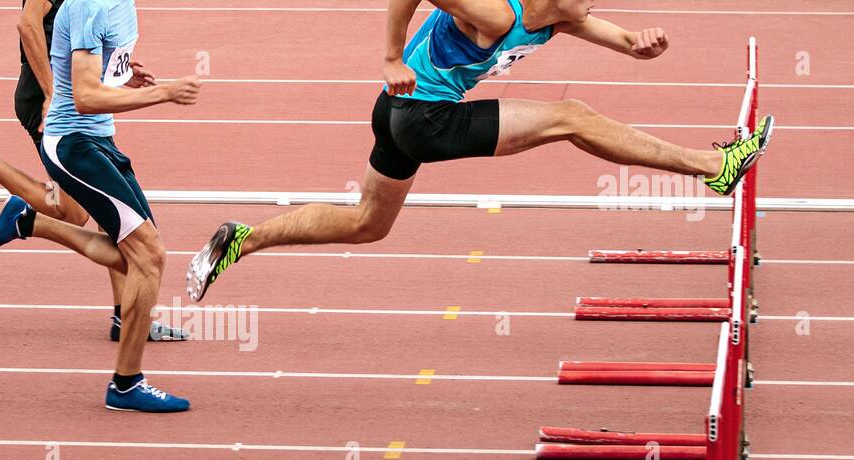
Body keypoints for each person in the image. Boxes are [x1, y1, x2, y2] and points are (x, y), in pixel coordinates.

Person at [185, 0, 774, 302]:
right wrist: (391, 57)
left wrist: (646, 44)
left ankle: (243, 238)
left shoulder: (557, 19)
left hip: (394, 114)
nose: (594, 2)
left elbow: (624, 41)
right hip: (424, 115)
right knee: (573, 117)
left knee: (368, 224)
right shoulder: (497, 11)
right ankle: (714, 167)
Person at [0, 0, 202, 412]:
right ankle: (126, 384)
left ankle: (28, 221)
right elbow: (86, 97)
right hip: (72, 144)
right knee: (148, 256)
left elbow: (95, 69)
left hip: (97, 139)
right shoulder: (91, 3)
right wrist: (164, 93)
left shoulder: (119, 4)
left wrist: (124, 74)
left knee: (142, 257)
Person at [0, 0, 187, 343]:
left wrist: (115, 70)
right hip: (52, 101)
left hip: (79, 105)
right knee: (75, 212)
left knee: (99, 213)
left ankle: (126, 314)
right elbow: (28, 25)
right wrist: (50, 92)